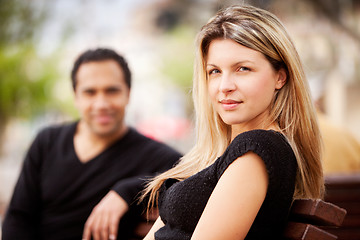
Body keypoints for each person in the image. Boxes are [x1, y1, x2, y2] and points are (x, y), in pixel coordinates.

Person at [141, 5, 324, 240]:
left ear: (280, 76)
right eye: (215, 71)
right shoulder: (227, 152)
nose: (224, 86)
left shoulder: (257, 149)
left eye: (243, 69)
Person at [2, 48, 181, 240]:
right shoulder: (46, 142)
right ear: (76, 96)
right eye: (90, 92)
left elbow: (194, 178)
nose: (101, 103)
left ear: (128, 94)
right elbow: (18, 219)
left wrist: (127, 192)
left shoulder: (158, 157)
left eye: (112, 91)